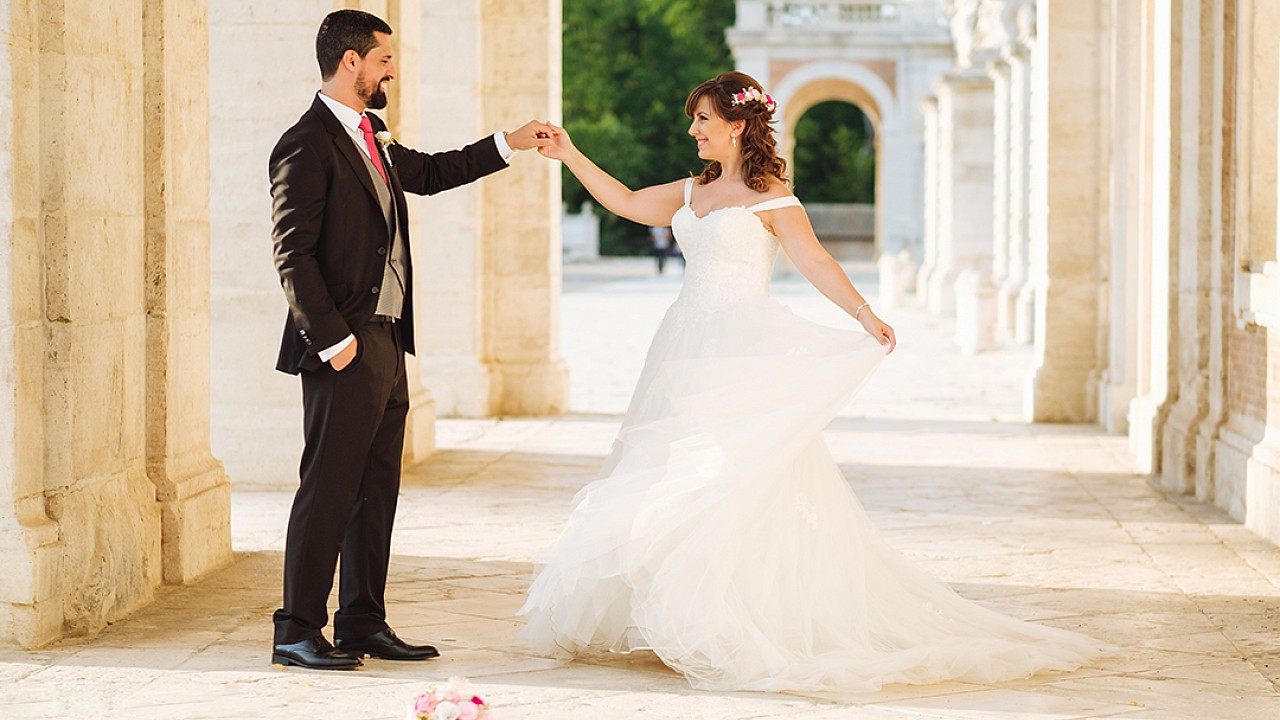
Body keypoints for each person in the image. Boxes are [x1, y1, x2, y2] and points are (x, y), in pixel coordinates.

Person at [518, 72, 1105, 692]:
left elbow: (817, 261)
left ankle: (728, 621)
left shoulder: (771, 196)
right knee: (669, 470)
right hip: (682, 347)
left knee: (730, 478)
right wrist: (569, 153)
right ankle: (680, 617)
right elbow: (631, 203)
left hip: (741, 350)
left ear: (737, 126)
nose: (693, 131)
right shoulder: (694, 190)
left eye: (703, 121)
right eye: (694, 121)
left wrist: (864, 313)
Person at [268, 9, 552, 671]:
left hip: (388, 341)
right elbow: (292, 256)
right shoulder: (304, 144)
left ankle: (363, 620)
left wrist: (508, 144)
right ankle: (296, 630)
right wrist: (336, 341)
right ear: (351, 63)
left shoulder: (372, 132)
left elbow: (426, 173)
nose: (392, 69)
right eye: (384, 60)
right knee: (329, 488)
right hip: (345, 346)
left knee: (375, 489)